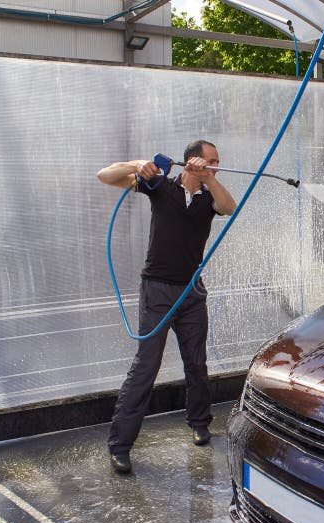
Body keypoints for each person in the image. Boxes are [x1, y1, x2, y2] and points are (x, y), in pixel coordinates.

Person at [97, 140, 237, 474]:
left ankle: (199, 423)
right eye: (211, 161)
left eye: (217, 162)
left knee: (196, 362)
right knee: (146, 365)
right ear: (193, 160)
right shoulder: (160, 186)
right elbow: (106, 176)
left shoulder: (208, 199)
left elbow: (229, 206)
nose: (215, 166)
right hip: (157, 291)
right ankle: (120, 444)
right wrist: (139, 164)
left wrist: (209, 177)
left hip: (191, 292)